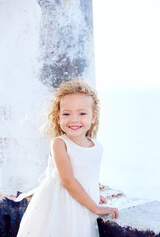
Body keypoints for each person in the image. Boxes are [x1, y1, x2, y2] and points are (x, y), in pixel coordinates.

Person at [15, 78, 118, 237]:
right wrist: (96, 207)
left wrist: (94, 193)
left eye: (82, 113)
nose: (74, 119)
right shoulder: (59, 144)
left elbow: (86, 176)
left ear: (93, 117)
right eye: (66, 113)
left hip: (81, 204)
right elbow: (68, 180)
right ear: (58, 118)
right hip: (57, 204)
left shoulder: (97, 147)